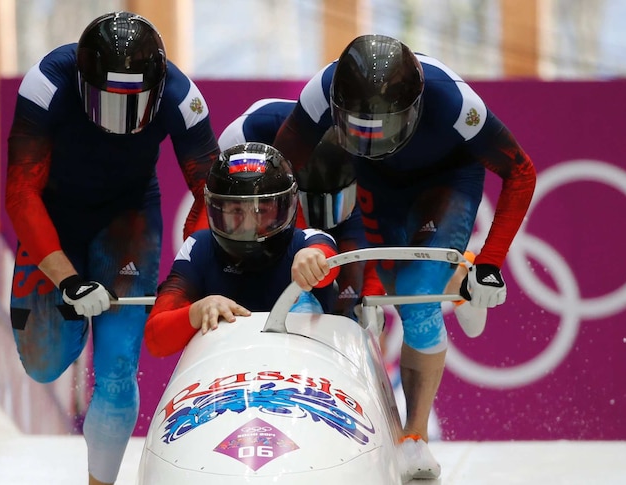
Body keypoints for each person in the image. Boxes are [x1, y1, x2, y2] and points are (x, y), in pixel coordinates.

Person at [272, 34, 537, 481]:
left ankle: (414, 438)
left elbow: (520, 171)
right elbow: (279, 174)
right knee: (391, 287)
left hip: (446, 180)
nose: (371, 136)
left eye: (382, 125)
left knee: (415, 296)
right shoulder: (320, 91)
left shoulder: (454, 103)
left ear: (414, 110)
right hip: (373, 178)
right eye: (358, 126)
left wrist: (492, 263)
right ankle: (457, 279)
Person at [4, 12, 220, 485]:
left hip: (128, 218)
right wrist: (68, 279)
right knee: (43, 365)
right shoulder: (46, 83)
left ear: (157, 91)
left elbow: (212, 195)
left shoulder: (183, 99)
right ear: (83, 85)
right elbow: (21, 193)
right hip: (55, 215)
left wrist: (193, 266)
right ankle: (75, 320)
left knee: (120, 365)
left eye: (134, 104)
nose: (121, 120)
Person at [218, 99, 485, 334]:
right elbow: (208, 232)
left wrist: (369, 296)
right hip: (279, 196)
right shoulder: (243, 137)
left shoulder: (380, 166)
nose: (324, 219)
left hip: (360, 193)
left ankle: (458, 275)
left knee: (357, 298)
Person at [143, 142, 340, 357]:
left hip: (302, 373)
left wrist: (314, 260)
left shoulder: (307, 242)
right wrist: (198, 311)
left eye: (262, 211)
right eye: (236, 211)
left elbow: (326, 256)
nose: (248, 226)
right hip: (225, 376)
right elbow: (156, 340)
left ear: (285, 207)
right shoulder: (199, 247)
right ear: (216, 210)